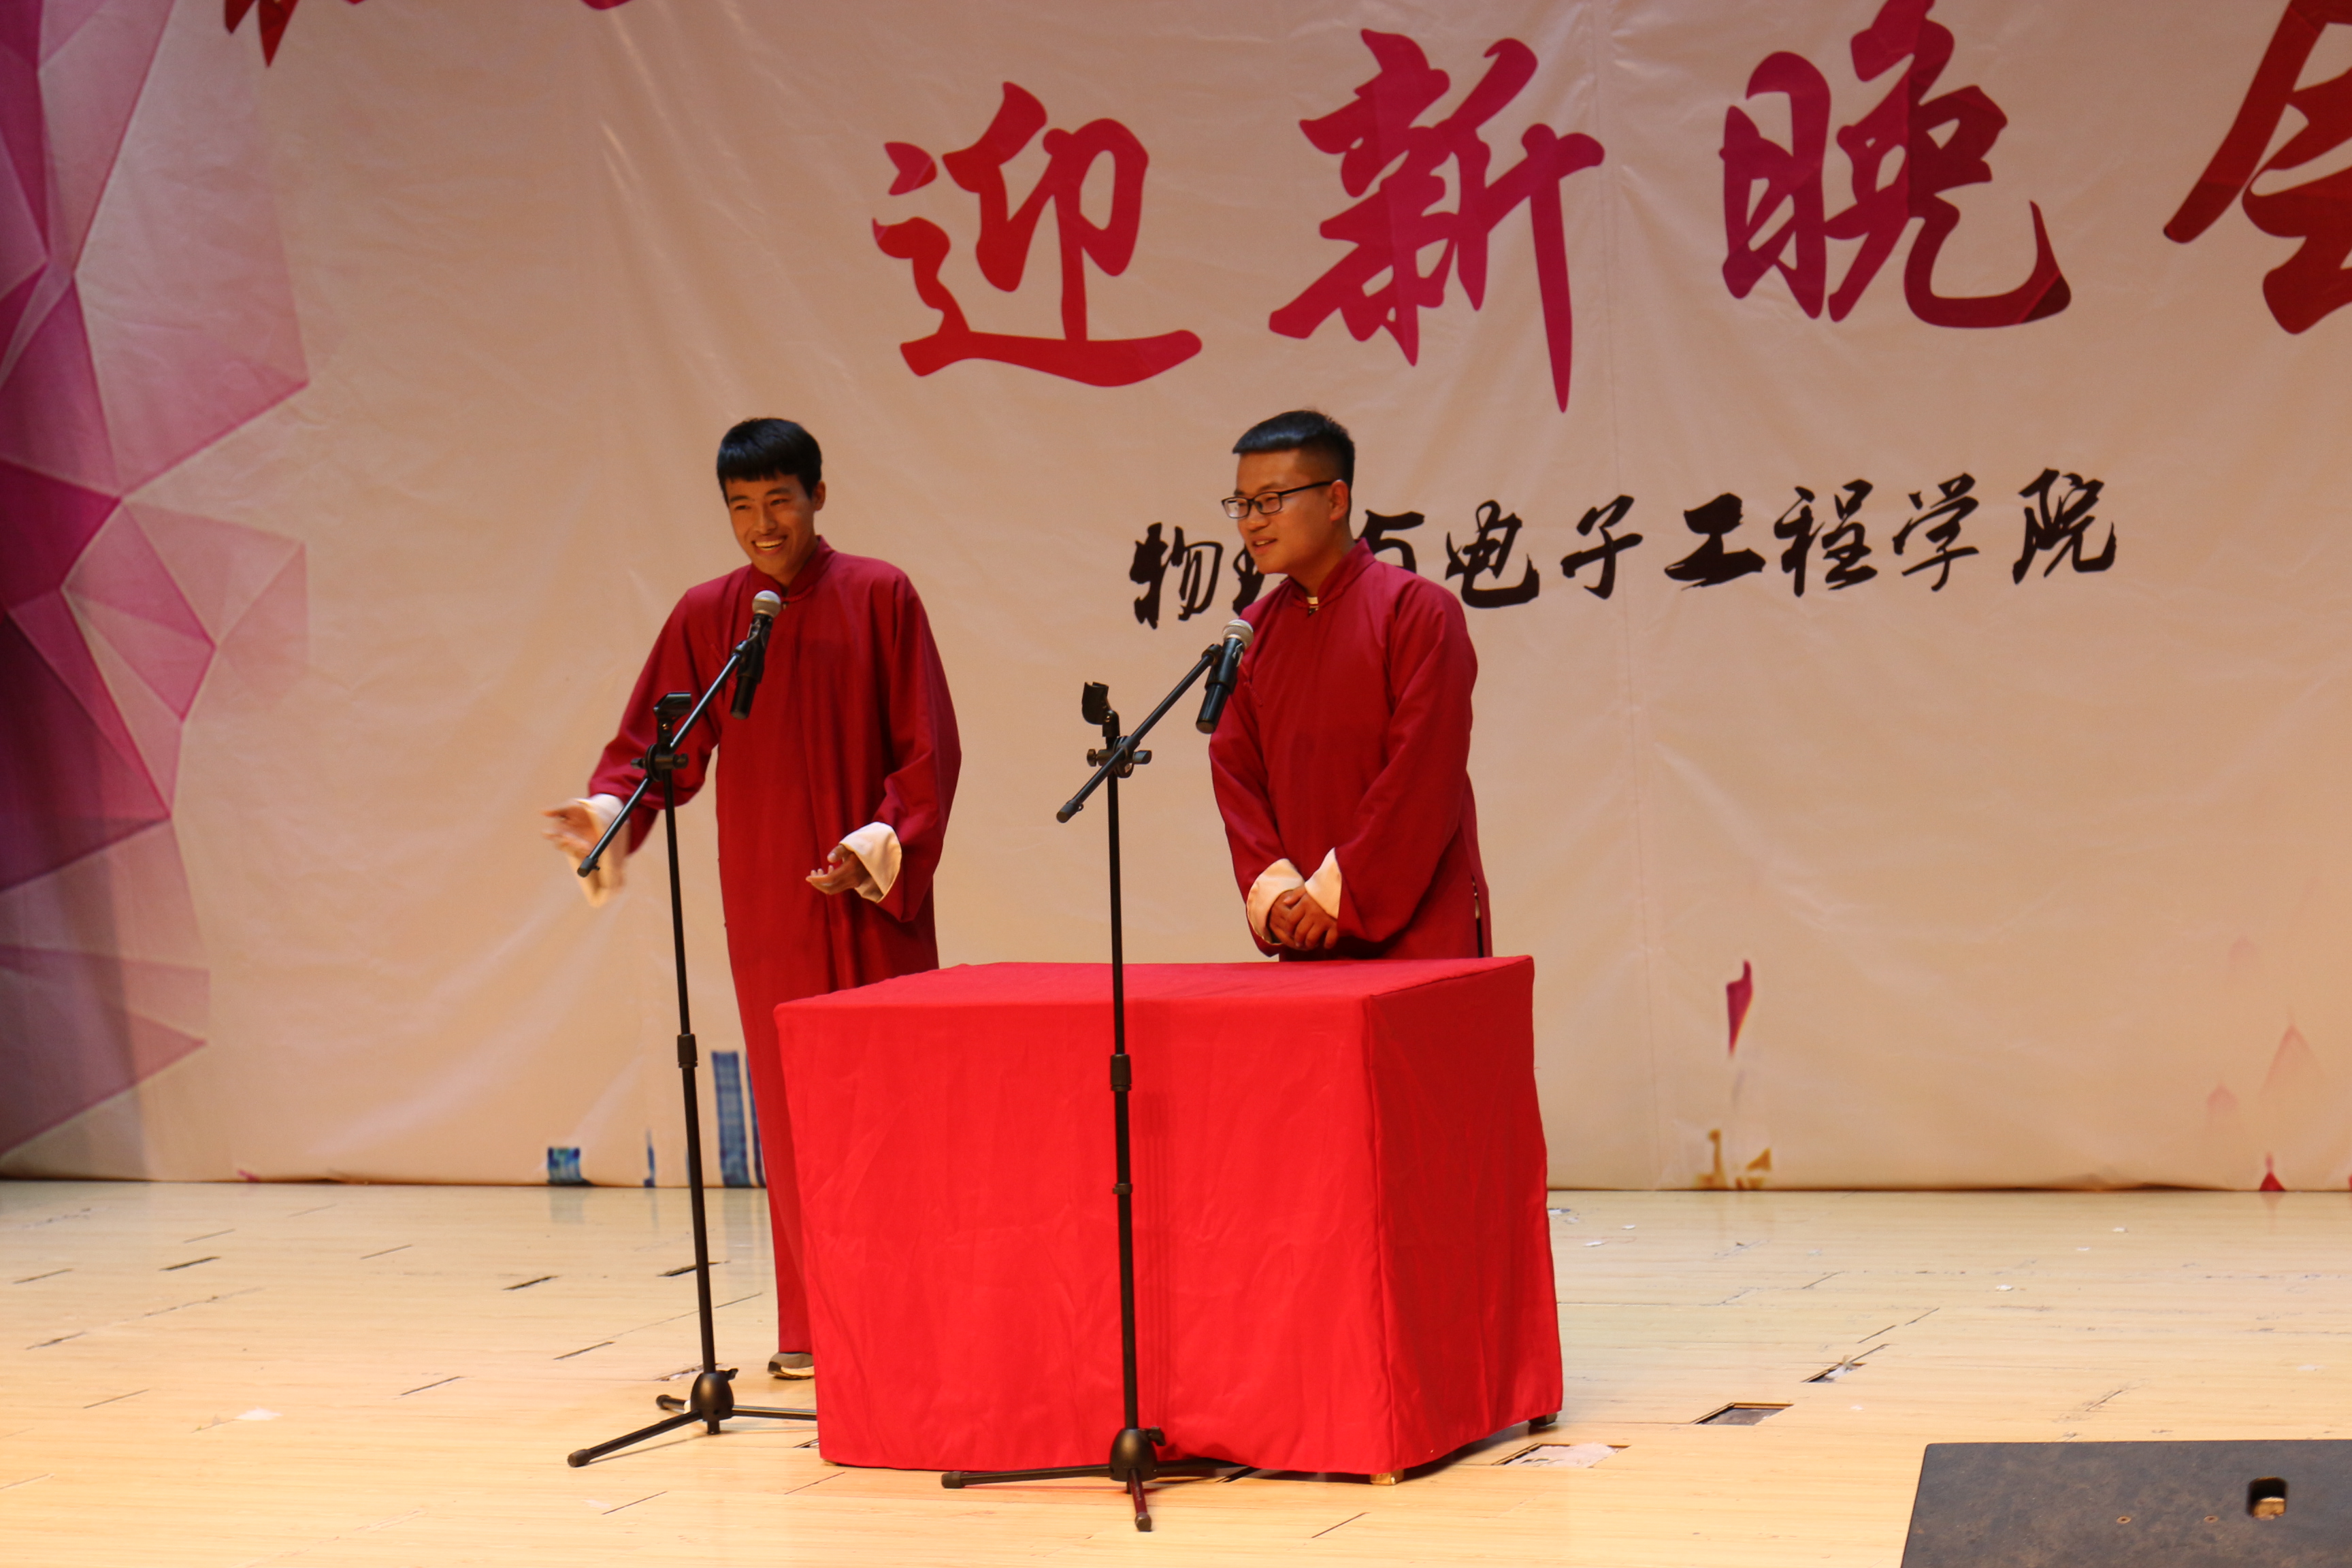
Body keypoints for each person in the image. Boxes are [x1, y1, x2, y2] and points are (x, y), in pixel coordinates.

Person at [542, 418, 960, 1379]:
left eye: (779, 501)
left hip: (870, 891)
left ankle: (904, 1323)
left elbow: (927, 744)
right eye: (742, 507)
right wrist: (605, 811)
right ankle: (814, 1327)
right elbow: (660, 748)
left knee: (887, 1107)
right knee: (792, 1107)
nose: (763, 525)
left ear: (818, 496)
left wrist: (877, 843)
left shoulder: (881, 596)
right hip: (772, 897)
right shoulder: (711, 615)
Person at [1206, 410, 1488, 960]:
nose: (1252, 522)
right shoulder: (1252, 634)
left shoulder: (1417, 612)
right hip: (1304, 929)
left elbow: (1423, 775)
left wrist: (1339, 893)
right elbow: (1236, 776)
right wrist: (1278, 895)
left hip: (1419, 928)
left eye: (1271, 501)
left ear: (1336, 500)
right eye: (1242, 504)